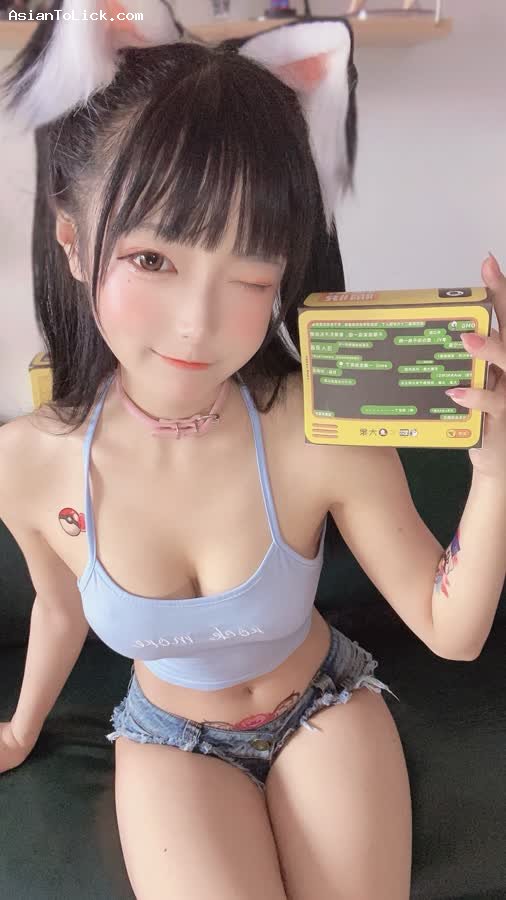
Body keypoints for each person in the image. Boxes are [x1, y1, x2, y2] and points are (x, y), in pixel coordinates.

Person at [1, 2, 505, 898]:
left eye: (249, 274)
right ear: (73, 241)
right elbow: (58, 605)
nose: (197, 324)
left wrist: (496, 469)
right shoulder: (27, 465)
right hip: (169, 740)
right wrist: (18, 726)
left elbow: (450, 630)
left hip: (324, 705)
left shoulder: (317, 422)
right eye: (153, 260)